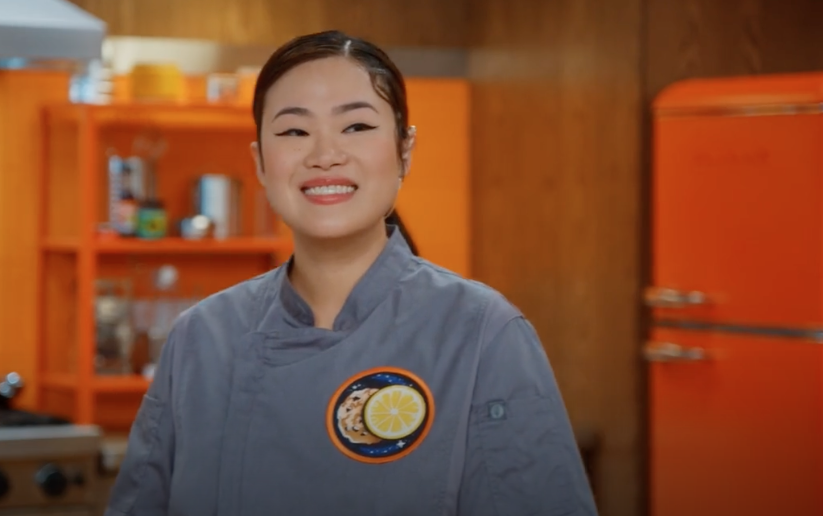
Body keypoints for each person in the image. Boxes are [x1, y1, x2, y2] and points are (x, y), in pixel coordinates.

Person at [104, 30, 598, 516]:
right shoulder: (201, 338)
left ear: (405, 150)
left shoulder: (481, 333)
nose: (325, 155)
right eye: (294, 131)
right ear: (260, 162)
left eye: (356, 126)